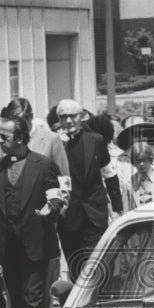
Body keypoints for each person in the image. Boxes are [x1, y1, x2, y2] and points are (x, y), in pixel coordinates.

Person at [0, 116, 65, 308]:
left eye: (4, 136)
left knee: (33, 299)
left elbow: (55, 198)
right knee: (15, 299)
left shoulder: (43, 164)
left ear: (20, 138)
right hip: (7, 247)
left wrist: (50, 209)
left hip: (35, 244)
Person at [56, 98, 123, 280]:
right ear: (59, 119)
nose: (68, 121)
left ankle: (97, 302)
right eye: (64, 117)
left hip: (94, 213)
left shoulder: (96, 140)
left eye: (73, 116)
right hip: (68, 216)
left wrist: (117, 209)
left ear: (81, 117)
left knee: (95, 266)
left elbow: (109, 174)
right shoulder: (56, 143)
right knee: (76, 268)